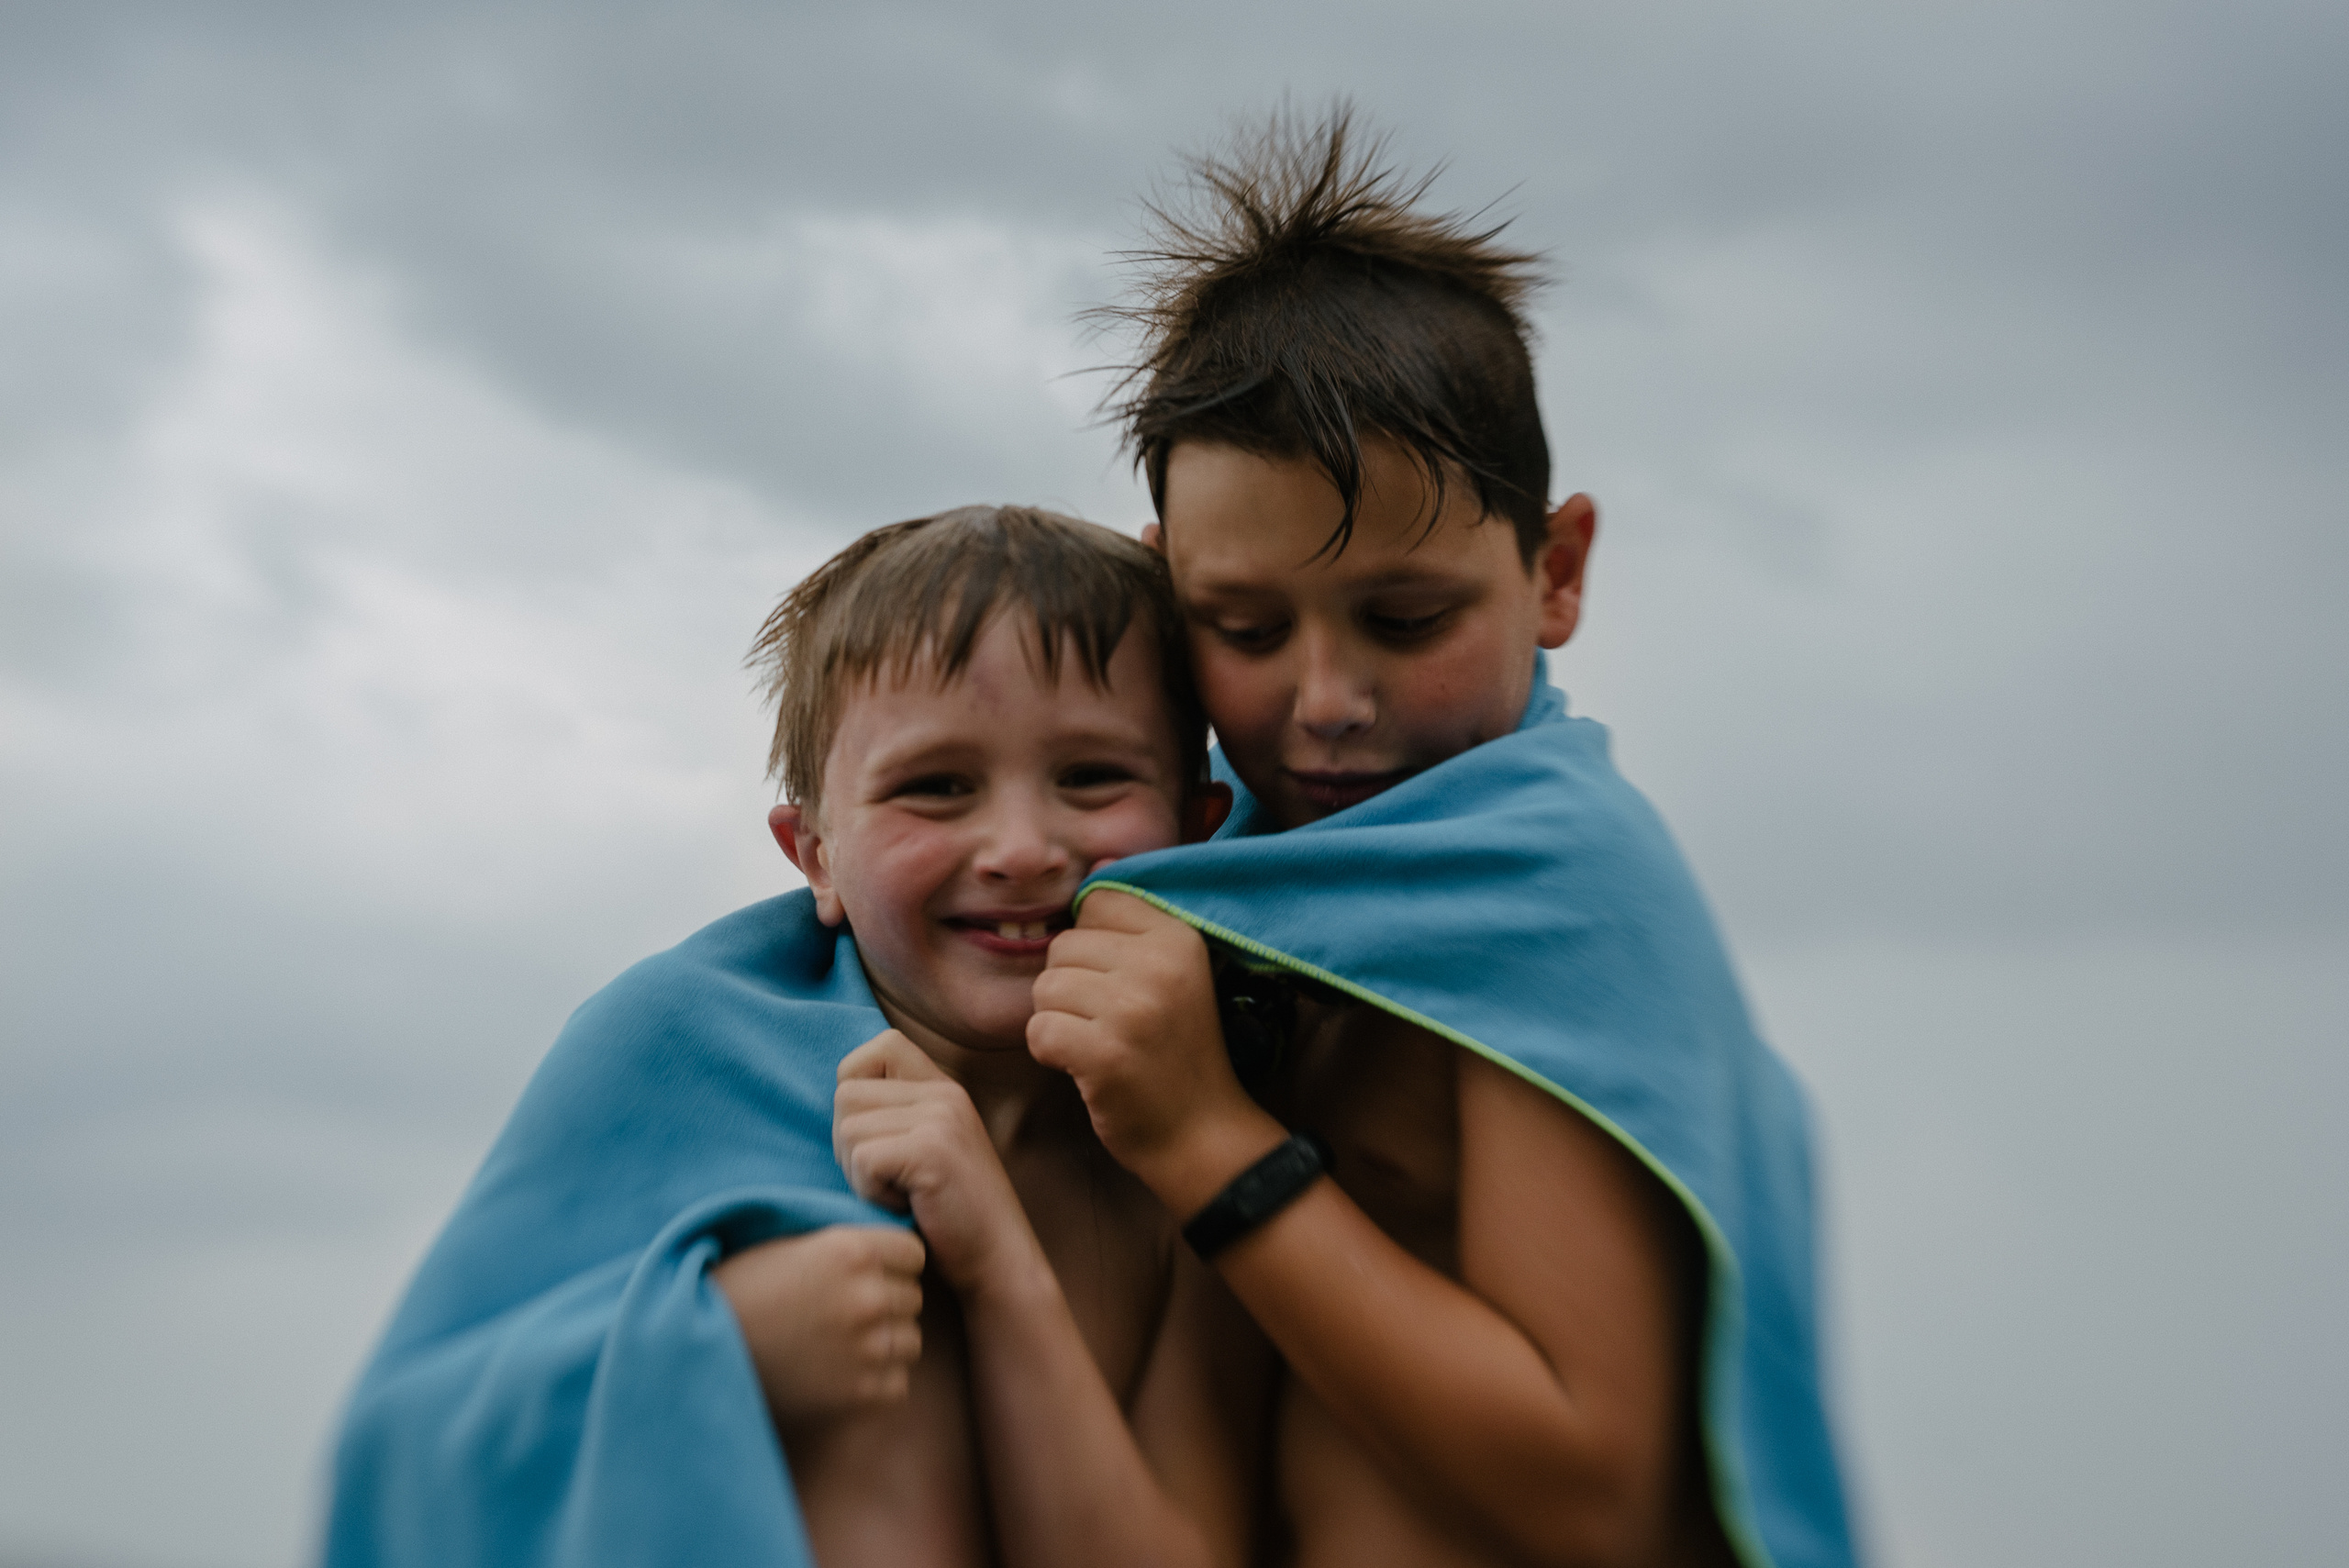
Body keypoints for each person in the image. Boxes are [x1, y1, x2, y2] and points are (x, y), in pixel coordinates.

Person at [1027, 112, 1859, 1568]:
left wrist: (1210, 1141)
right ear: (1166, 592)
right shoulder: (1221, 892)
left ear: (1556, 570)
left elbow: (1592, 1486)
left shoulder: (1557, 889)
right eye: (1245, 627)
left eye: (1407, 622)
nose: (1328, 702)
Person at [326, 506, 1268, 1568]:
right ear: (813, 852)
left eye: (1091, 776)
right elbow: (398, 1445)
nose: (1017, 847)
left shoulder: (1210, 1113)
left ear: (1199, 828)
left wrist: (1003, 1270)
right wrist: (716, 1342)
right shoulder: (680, 1040)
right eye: (936, 787)